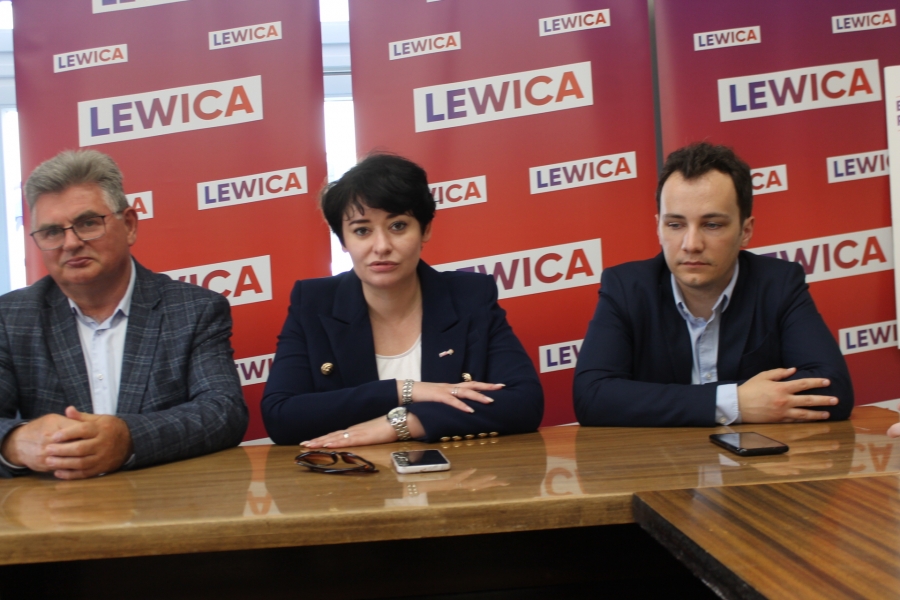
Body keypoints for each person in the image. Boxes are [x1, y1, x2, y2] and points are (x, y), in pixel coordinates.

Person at [261, 153, 543, 447]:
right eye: (362, 230)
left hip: (458, 471)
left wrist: (404, 423)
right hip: (351, 473)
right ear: (343, 241)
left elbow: (524, 402)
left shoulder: (470, 296)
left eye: (398, 226)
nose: (381, 246)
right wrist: (405, 390)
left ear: (425, 229)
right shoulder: (313, 302)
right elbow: (281, 416)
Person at [0, 149, 248, 479]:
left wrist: (128, 439)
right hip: (55, 505)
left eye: (88, 223)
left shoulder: (194, 310)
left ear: (129, 225)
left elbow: (223, 412)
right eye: (52, 232)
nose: (70, 243)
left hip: (164, 501)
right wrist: (13, 443)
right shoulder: (10, 318)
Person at [573, 142, 853, 427]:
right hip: (663, 455)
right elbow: (591, 397)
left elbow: (834, 390)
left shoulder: (779, 284)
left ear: (745, 231)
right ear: (658, 227)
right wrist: (733, 402)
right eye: (675, 225)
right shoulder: (625, 288)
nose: (691, 244)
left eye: (712, 225)